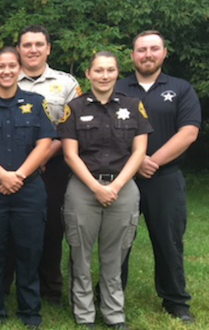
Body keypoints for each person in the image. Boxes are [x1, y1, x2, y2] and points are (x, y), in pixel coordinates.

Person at [58, 51, 152, 329]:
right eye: (98, 70)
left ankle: (114, 314)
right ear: (88, 74)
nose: (104, 75)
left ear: (117, 73)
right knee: (81, 255)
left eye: (110, 70)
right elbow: (70, 155)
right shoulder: (74, 108)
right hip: (83, 189)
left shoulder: (134, 105)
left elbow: (140, 151)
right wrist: (96, 188)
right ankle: (85, 314)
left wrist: (116, 186)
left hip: (123, 188)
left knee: (115, 255)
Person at [116, 30, 201, 324]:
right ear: (133, 55)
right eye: (141, 49)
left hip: (165, 177)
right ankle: (113, 297)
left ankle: (176, 301)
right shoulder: (117, 87)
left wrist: (150, 161)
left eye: (154, 49)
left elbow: (189, 131)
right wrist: (134, 163)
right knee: (118, 240)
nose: (147, 54)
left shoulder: (181, 88)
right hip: (123, 177)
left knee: (169, 240)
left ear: (165, 53)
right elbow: (105, 133)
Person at [0, 47, 54, 328]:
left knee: (29, 250)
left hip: (28, 190)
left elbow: (45, 143)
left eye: (12, 66)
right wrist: (3, 175)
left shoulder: (37, 103)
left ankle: (30, 311)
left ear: (20, 69)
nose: (6, 71)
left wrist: (18, 176)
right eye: (0, 66)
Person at [11, 24, 83, 303]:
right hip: (15, 167)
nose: (32, 50)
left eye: (38, 44)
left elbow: (72, 129)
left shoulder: (66, 84)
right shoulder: (6, 78)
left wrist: (42, 158)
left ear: (48, 48)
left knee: (53, 226)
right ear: (19, 49)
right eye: (27, 45)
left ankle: (51, 287)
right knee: (18, 226)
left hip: (54, 166)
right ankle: (21, 283)